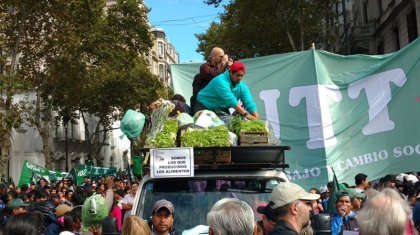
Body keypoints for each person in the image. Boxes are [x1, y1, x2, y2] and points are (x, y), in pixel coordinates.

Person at [190, 47, 232, 111]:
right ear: (213, 57)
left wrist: (231, 68)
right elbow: (214, 76)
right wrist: (223, 63)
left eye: (223, 57)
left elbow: (232, 82)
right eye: (221, 56)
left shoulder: (223, 69)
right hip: (203, 105)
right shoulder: (204, 67)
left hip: (219, 104)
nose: (223, 58)